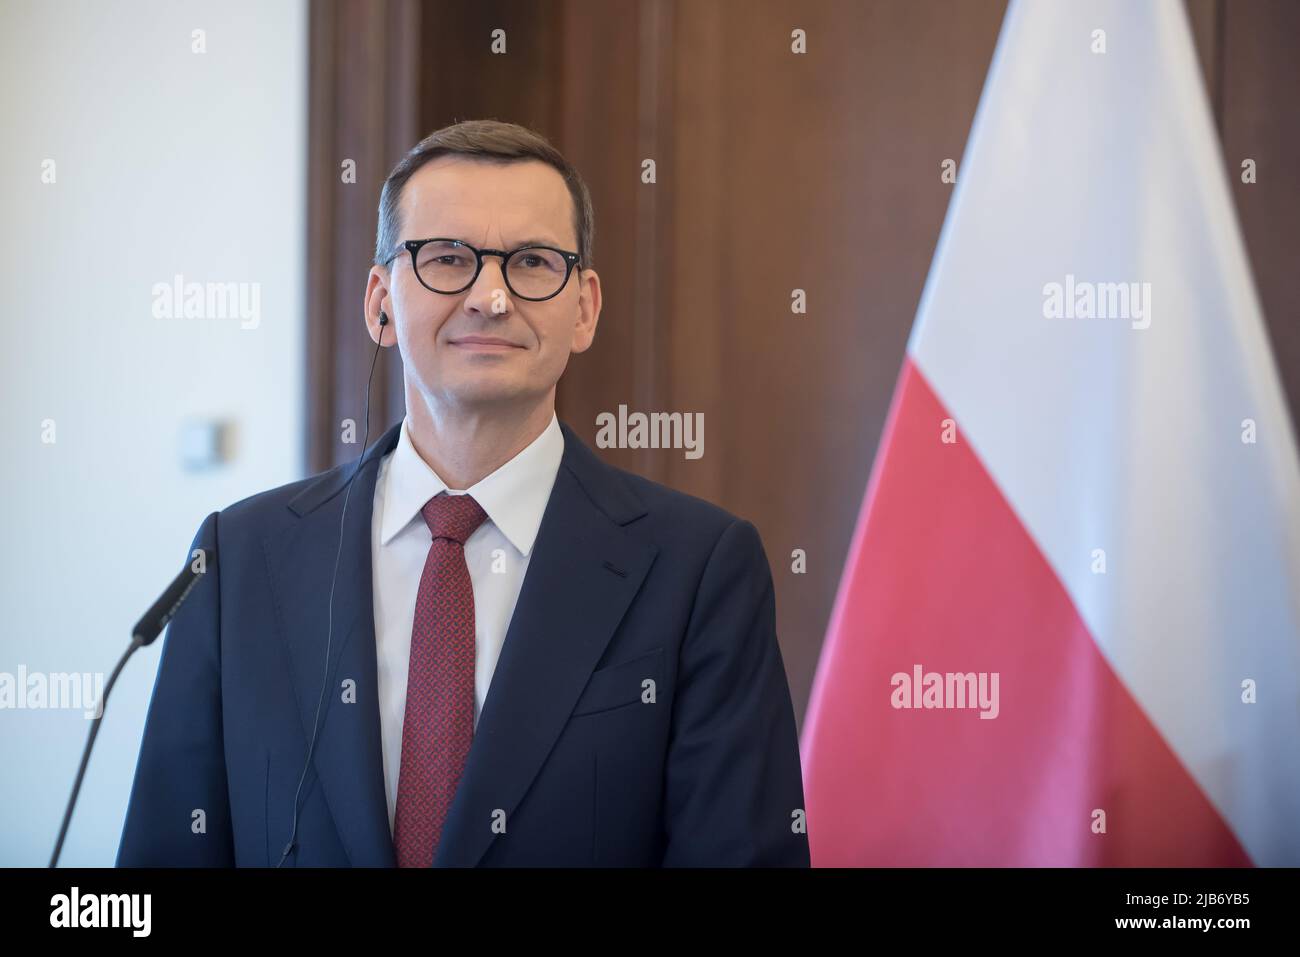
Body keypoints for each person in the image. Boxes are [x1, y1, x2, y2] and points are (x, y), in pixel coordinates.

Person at [117, 119, 809, 867]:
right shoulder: (240, 558)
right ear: (381, 301)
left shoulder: (698, 569)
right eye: (448, 258)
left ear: (584, 308)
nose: (491, 297)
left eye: (534, 262)